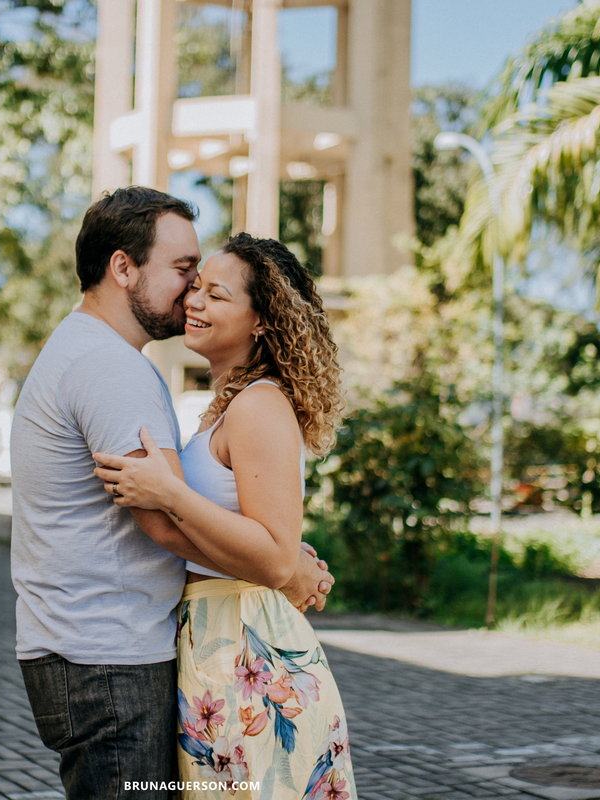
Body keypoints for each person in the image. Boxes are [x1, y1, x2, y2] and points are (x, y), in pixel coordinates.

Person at [10, 188, 334, 800]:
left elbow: (197, 509)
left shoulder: (106, 357)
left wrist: (279, 553)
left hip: (124, 652)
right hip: (109, 658)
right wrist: (283, 567)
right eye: (186, 273)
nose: (191, 294)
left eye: (210, 285)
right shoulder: (112, 367)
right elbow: (160, 522)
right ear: (123, 267)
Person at [93, 233, 355, 800]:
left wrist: (168, 492)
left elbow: (275, 555)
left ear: (261, 321)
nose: (194, 300)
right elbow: (270, 548)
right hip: (217, 639)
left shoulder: (259, 403)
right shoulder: (227, 404)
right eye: (196, 286)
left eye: (217, 294)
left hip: (247, 653)